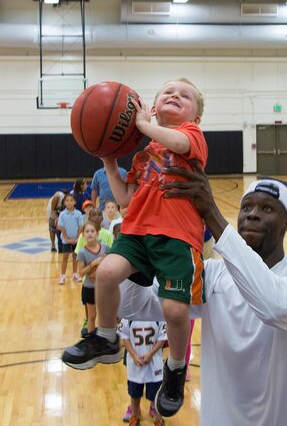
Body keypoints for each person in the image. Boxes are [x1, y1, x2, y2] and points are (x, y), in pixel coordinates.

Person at [112, 170, 287, 426]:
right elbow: (133, 305)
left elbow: (273, 307)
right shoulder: (213, 276)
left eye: (267, 208)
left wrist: (211, 214)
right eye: (247, 206)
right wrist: (135, 242)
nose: (252, 213)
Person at [62, 78, 208, 419]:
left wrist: (144, 124)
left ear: (196, 118)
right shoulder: (143, 157)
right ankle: (107, 338)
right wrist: (110, 163)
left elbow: (178, 140)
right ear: (153, 106)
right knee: (107, 272)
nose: (175, 95)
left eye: (184, 96)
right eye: (168, 92)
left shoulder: (193, 138)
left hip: (176, 237)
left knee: (174, 311)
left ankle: (173, 368)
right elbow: (126, 201)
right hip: (138, 232)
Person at [119, 319, 169, 426]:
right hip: (135, 364)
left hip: (154, 364)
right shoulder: (129, 315)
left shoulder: (158, 314)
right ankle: (134, 416)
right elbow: (125, 336)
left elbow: (163, 338)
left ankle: (158, 418)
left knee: (156, 394)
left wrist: (150, 354)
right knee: (134, 394)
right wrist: (133, 355)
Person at [77, 222, 110, 336]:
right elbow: (80, 273)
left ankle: (105, 339)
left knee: (105, 315)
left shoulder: (105, 247)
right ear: (83, 235)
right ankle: (91, 342)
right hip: (90, 288)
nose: (90, 234)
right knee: (92, 316)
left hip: (104, 288)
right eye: (87, 231)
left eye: (92, 231)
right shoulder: (82, 252)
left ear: (97, 233)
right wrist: (93, 264)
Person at [57, 193, 85, 284]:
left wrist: (77, 238)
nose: (69, 202)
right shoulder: (62, 214)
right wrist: (67, 239)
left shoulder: (78, 213)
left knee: (75, 256)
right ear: (64, 203)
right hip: (66, 240)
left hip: (76, 240)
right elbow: (62, 227)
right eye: (67, 200)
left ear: (75, 202)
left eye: (71, 200)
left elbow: (80, 227)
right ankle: (62, 275)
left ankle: (75, 274)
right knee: (65, 257)